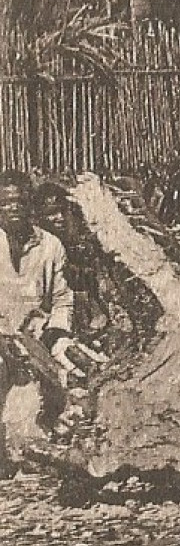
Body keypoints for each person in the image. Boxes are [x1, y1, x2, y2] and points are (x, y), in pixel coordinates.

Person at [0, 170, 79, 477]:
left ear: (30, 204)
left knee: (68, 374)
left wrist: (55, 335)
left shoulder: (50, 246)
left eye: (19, 201)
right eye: (5, 204)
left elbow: (62, 299)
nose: (13, 208)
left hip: (35, 342)